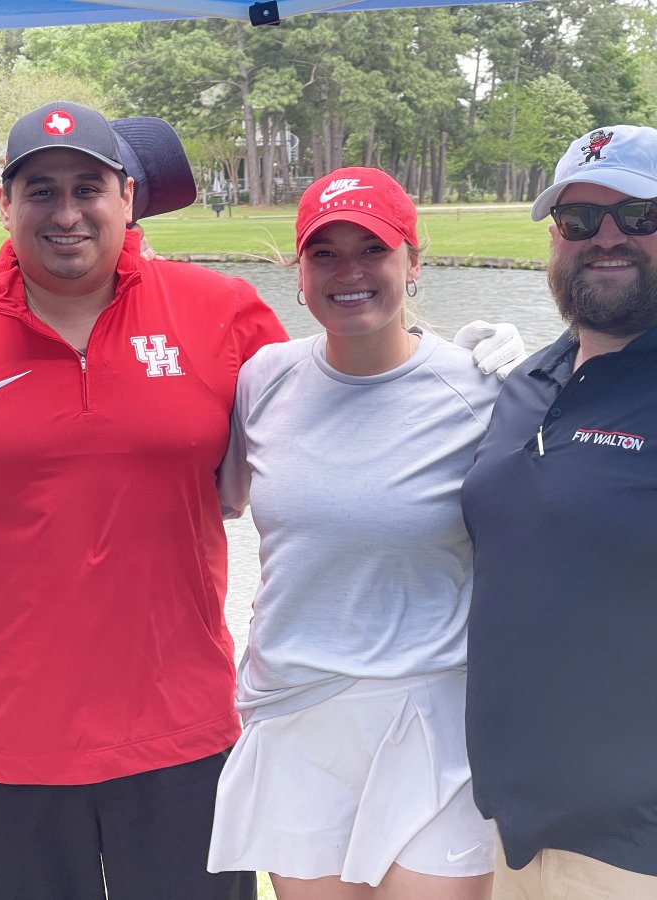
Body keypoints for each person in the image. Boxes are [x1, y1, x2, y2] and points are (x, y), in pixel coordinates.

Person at [0, 101, 287, 900]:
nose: (66, 212)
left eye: (87, 188)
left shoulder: (223, 313)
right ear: (4, 204)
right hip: (6, 739)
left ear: (127, 198)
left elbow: (334, 435)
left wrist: (443, 372)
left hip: (179, 729)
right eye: (41, 190)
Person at [207, 167, 501, 900]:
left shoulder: (482, 387)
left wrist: (546, 372)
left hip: (431, 712)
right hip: (296, 710)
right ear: (298, 272)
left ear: (413, 262)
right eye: (325, 253)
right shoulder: (263, 379)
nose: (350, 272)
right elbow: (216, 499)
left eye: (373, 249)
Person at [463, 124, 657, 900]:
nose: (606, 237)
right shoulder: (526, 382)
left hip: (633, 851)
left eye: (639, 215)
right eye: (579, 219)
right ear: (554, 238)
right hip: (512, 836)